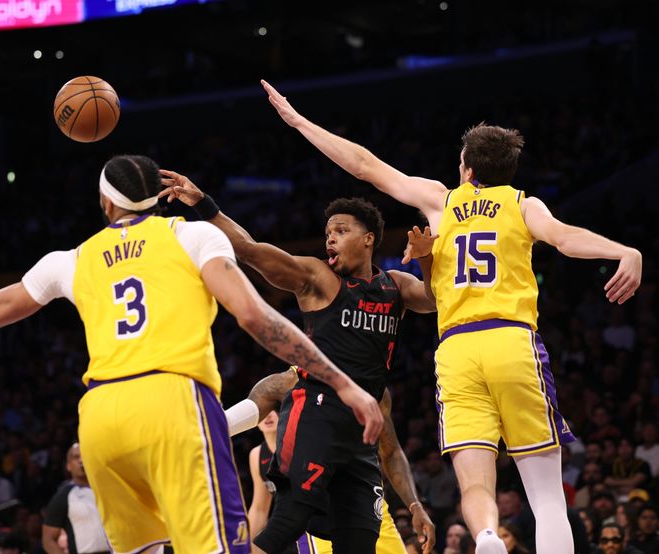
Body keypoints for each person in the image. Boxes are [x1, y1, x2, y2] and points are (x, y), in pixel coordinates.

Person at [0, 154, 382, 554]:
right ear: (156, 199)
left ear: (106, 202)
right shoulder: (192, 235)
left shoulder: (68, 259)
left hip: (99, 420)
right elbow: (254, 317)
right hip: (172, 401)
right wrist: (341, 381)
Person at [260, 79, 643, 554]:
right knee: (545, 495)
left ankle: (485, 537)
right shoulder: (523, 204)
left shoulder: (441, 201)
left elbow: (364, 165)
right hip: (511, 339)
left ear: (465, 167)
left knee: (475, 484)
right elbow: (565, 239)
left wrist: (298, 121)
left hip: (457, 348)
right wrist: (624, 250)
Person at [160, 169, 435, 554]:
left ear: (369, 238)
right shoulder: (317, 278)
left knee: (360, 543)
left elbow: (439, 299)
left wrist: (425, 261)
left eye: (340, 230)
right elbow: (251, 250)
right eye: (327, 234)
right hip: (316, 414)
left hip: (360, 435)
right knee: (286, 525)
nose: (330, 239)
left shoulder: (394, 285)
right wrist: (204, 205)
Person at [234, 367, 436, 553]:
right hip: (319, 513)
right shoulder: (293, 380)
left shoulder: (373, 385)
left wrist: (415, 505)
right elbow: (259, 510)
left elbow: (391, 452)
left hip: (367, 506)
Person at [42, 444, 108, 554]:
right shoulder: (64, 496)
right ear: (68, 466)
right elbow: (48, 540)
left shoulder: (107, 489)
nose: (81, 461)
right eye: (76, 457)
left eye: (84, 456)